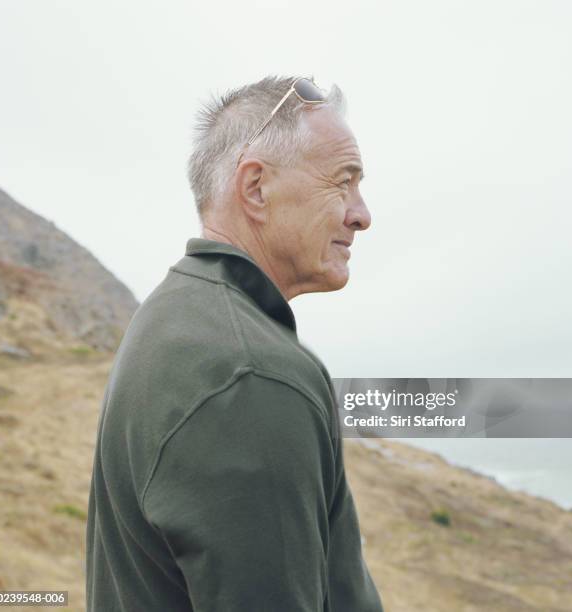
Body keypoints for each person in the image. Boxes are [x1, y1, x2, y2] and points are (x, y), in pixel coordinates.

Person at [86, 74, 383, 611]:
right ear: (255, 189)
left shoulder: (176, 314)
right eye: (343, 181)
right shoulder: (249, 376)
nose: (361, 214)